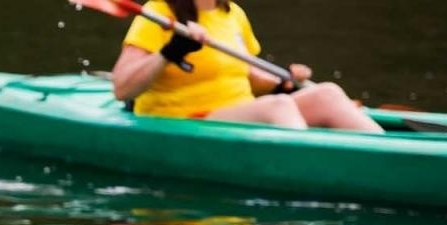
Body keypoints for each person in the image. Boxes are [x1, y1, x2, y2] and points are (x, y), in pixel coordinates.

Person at [110, 0, 383, 133]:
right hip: (183, 120)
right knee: (278, 106)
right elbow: (122, 88)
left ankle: (389, 154)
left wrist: (282, 81)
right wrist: (171, 51)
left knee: (328, 93)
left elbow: (245, 76)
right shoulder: (158, 14)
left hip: (233, 113)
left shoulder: (233, 14)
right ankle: (314, 168)